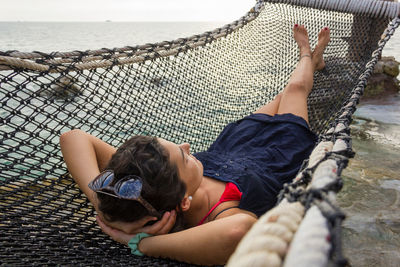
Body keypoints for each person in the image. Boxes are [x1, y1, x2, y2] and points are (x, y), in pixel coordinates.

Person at [60, 25, 330, 265]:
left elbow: (73, 137)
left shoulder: (146, 181)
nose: (188, 146)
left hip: (238, 142)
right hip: (280, 150)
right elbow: (240, 230)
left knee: (285, 93)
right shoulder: (218, 215)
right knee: (294, 91)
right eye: (184, 157)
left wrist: (102, 202)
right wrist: (140, 243)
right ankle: (307, 54)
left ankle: (310, 62)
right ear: (184, 203)